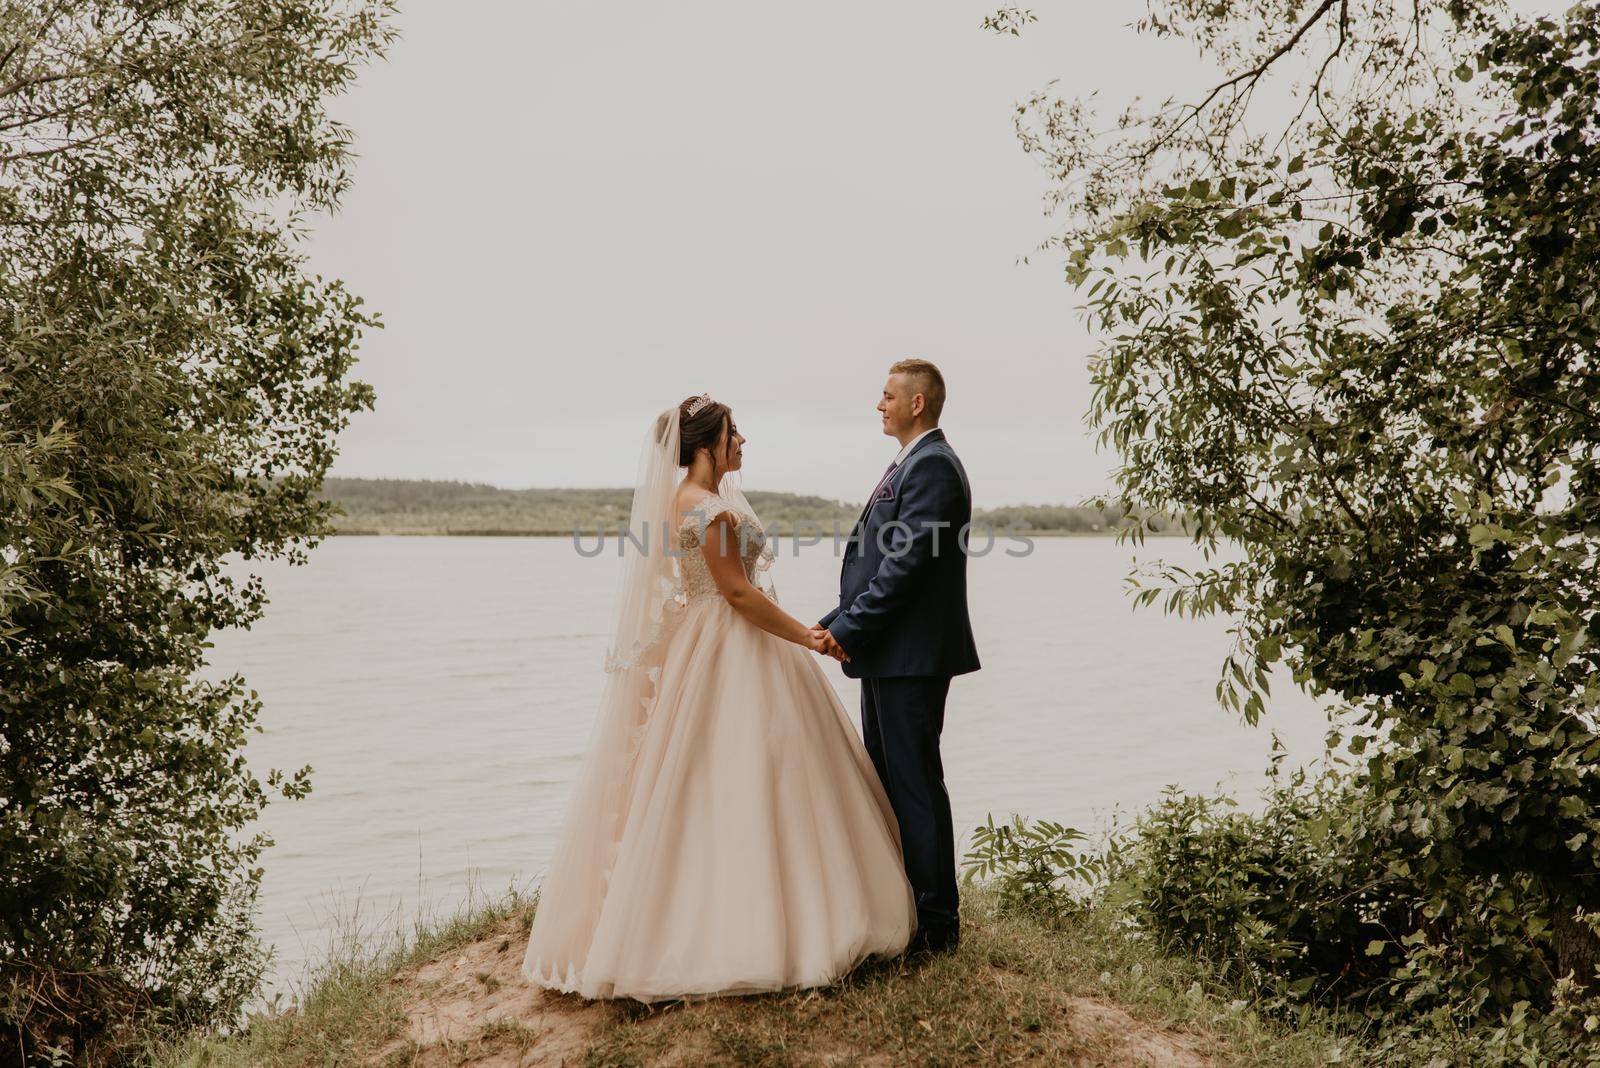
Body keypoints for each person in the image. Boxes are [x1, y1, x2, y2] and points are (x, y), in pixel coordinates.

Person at [522, 393, 916, 1002]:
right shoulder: (705, 509)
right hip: (730, 640)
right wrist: (809, 637)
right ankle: (741, 929)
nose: (742, 442)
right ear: (705, 445)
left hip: (710, 642)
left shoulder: (697, 501)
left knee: (723, 773)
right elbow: (736, 593)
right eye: (734, 433)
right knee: (743, 769)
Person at [813, 358, 981, 955]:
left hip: (911, 655)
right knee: (889, 779)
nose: (878, 404)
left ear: (917, 404)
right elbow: (883, 563)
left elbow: (907, 566)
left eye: (887, 396)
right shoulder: (911, 461)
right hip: (888, 650)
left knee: (914, 784)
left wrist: (851, 628)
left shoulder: (933, 465)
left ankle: (937, 928)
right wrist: (836, 622)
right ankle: (906, 908)